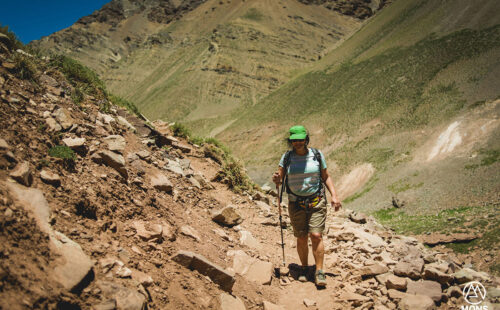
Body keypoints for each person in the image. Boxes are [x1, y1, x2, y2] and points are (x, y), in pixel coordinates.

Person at [272, 125, 342, 287]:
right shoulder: (287, 157)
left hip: (316, 200)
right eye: (294, 140)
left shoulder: (316, 155)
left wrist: (334, 196)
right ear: (290, 141)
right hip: (295, 203)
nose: (297, 142)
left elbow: (326, 176)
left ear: (306, 139)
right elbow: (279, 178)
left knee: (316, 235)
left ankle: (319, 271)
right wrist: (276, 179)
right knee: (301, 237)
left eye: (300, 139)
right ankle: (304, 268)